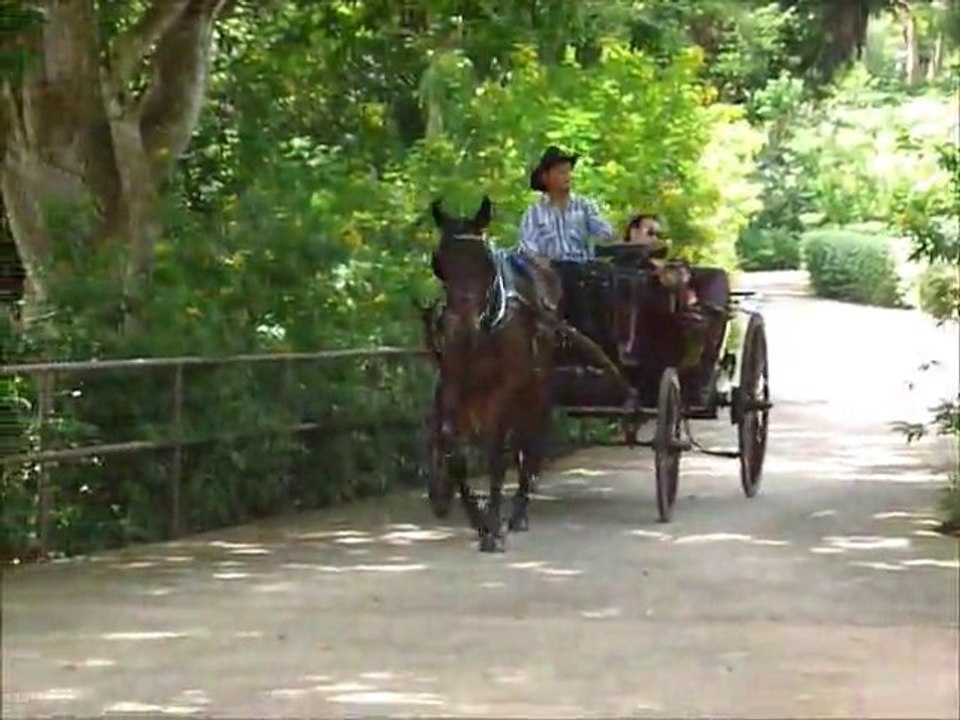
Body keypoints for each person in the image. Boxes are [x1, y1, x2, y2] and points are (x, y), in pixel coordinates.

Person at [515, 146, 616, 315]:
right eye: (561, 172)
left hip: (584, 272)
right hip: (552, 274)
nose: (567, 177)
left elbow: (606, 233)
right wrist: (543, 263)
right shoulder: (534, 213)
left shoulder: (585, 206)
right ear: (545, 177)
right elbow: (527, 249)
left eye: (568, 172)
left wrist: (610, 237)